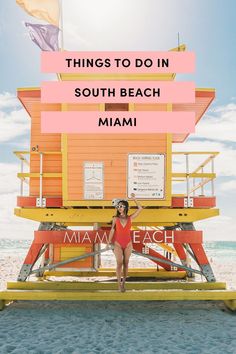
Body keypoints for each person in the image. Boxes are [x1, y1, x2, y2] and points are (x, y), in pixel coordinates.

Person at [107, 193, 143, 292]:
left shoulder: (130, 218)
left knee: (126, 263)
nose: (119, 208)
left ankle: (123, 284)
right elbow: (112, 230)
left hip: (128, 244)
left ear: (125, 207)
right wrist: (108, 242)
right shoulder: (115, 218)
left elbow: (140, 208)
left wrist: (134, 198)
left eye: (122, 206)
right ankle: (119, 285)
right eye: (118, 206)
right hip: (118, 243)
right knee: (119, 263)